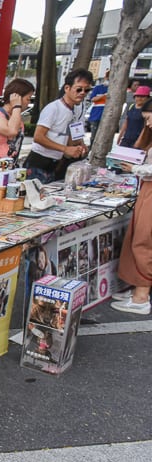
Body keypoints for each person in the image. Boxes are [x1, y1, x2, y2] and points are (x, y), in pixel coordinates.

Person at [112, 98, 152, 315]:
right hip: (146, 190)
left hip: (150, 190)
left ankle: (141, 296)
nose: (147, 124)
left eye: (148, 118)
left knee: (143, 241)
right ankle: (137, 287)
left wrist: (136, 169)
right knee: (136, 238)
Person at [24, 68, 93, 184]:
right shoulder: (53, 108)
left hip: (58, 163)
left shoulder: (79, 108)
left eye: (86, 90)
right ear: (67, 88)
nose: (82, 93)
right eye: (79, 89)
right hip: (40, 161)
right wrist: (65, 149)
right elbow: (38, 137)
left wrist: (81, 145)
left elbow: (75, 134)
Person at [0, 78, 35, 168]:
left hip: (5, 167)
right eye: (28, 99)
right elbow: (11, 132)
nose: (29, 103)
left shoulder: (14, 116)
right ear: (17, 97)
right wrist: (16, 106)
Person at [87, 70, 109, 139]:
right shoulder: (98, 88)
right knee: (94, 135)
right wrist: (103, 95)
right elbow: (92, 99)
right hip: (96, 115)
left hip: (107, 116)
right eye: (108, 77)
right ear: (106, 77)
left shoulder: (115, 89)